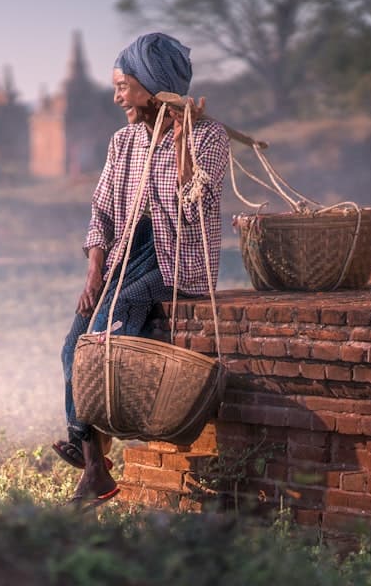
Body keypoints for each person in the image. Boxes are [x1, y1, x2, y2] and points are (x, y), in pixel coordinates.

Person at [54, 32, 230, 506]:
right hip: (122, 257)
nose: (117, 98)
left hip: (172, 260)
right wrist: (94, 272)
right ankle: (93, 461)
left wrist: (183, 141)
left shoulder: (208, 136)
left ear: (154, 88)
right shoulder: (124, 141)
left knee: (111, 328)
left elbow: (193, 211)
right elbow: (103, 212)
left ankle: (95, 450)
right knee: (74, 344)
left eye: (124, 87)